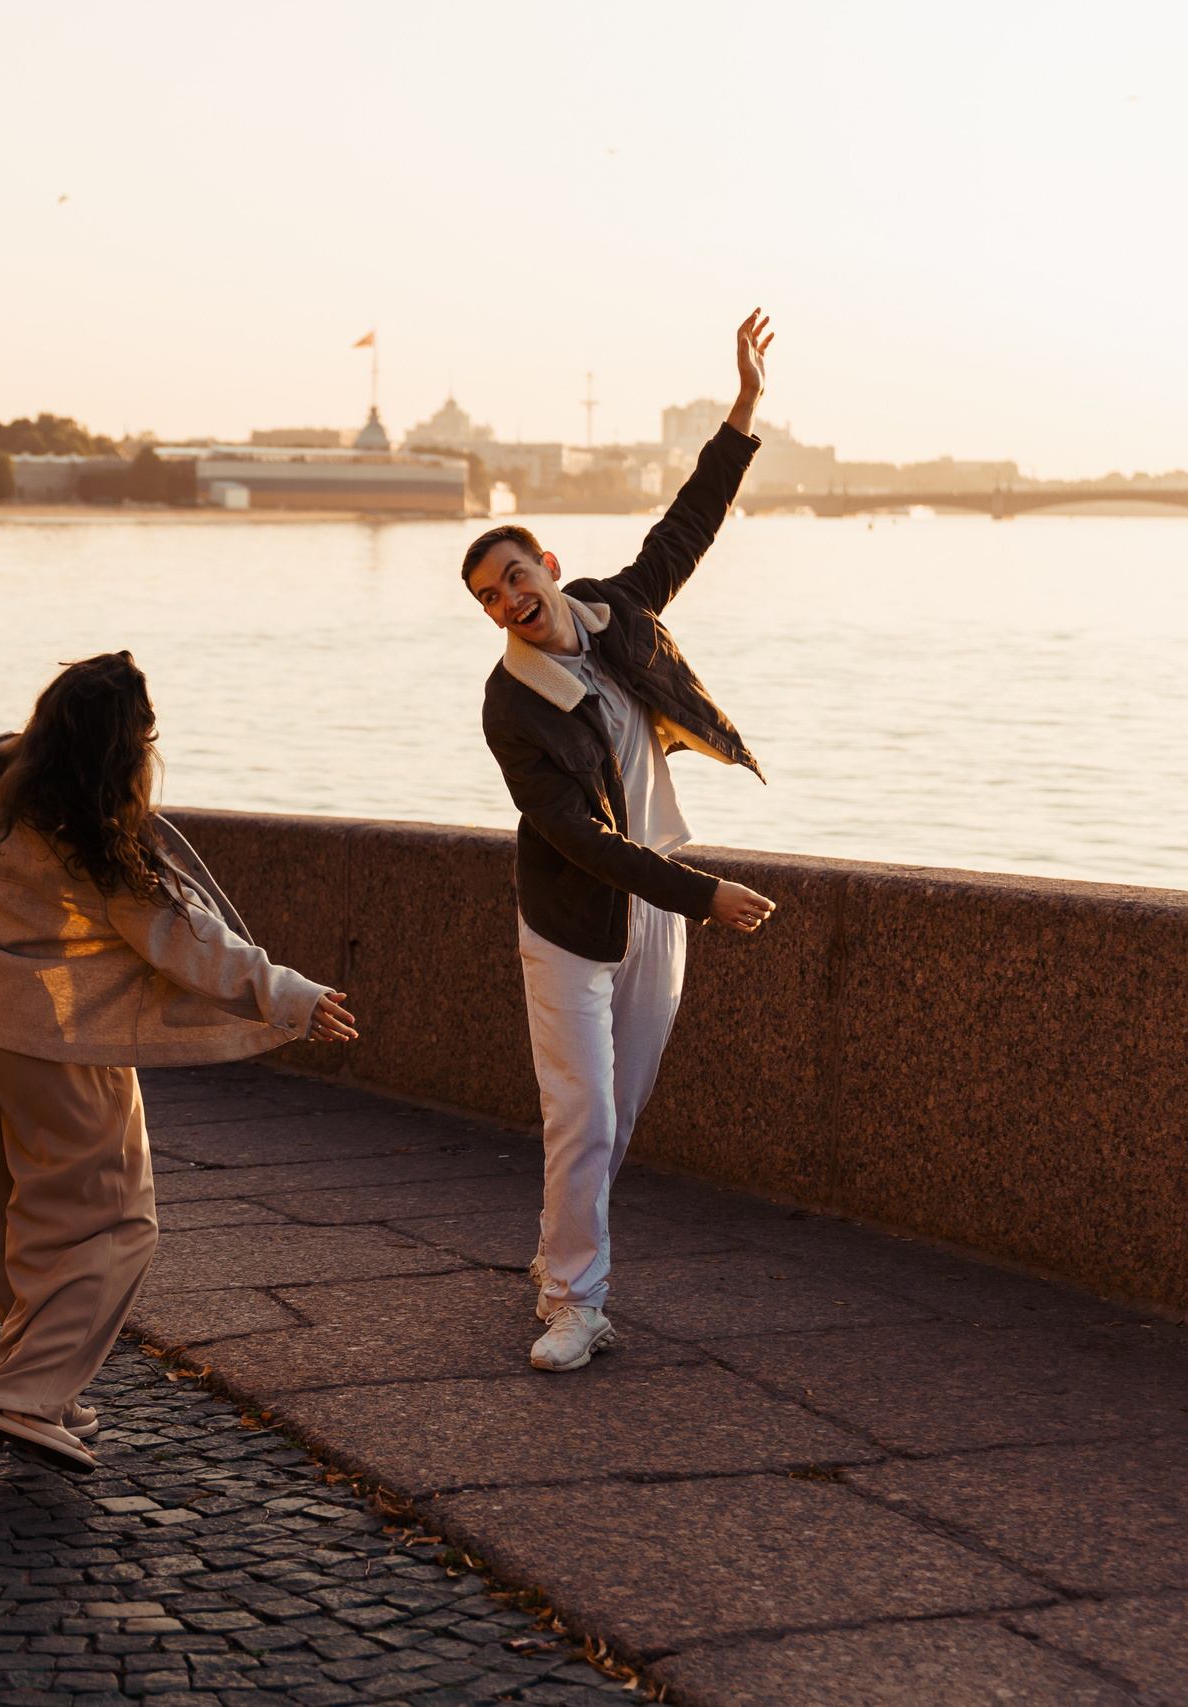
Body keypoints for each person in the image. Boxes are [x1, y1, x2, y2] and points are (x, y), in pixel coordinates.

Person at [0, 651, 357, 1471]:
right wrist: (291, 996)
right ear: (124, 750)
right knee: (116, 1223)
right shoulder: (100, 844)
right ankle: (20, 1395)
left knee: (6, 1218)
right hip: (59, 1052)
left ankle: (37, 1381)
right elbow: (191, 941)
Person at [462, 310, 782, 1373]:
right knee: (584, 1115)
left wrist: (743, 407)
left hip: (656, 910)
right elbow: (577, 838)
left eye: (516, 577)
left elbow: (689, 523)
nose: (511, 602)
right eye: (490, 599)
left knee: (621, 1113)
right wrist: (705, 893)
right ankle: (574, 1304)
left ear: (547, 564)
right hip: (571, 922)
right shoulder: (512, 709)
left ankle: (562, 1260)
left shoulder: (617, 610)